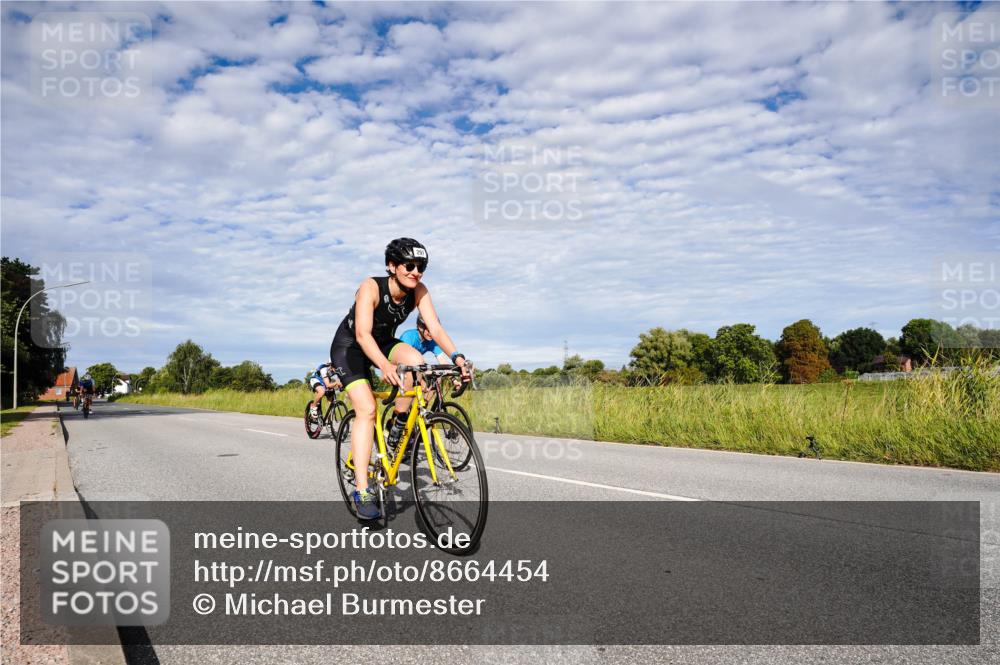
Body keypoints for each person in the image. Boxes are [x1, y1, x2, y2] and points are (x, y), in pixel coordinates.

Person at [330, 238, 470, 520]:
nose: (415, 271)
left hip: (382, 342)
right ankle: (363, 489)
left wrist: (457, 357)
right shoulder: (371, 287)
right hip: (351, 347)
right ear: (392, 266)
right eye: (409, 265)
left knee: (418, 364)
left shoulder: (419, 290)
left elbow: (436, 328)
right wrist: (383, 365)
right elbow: (362, 335)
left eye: (421, 267)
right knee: (367, 409)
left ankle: (398, 424)